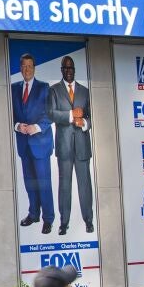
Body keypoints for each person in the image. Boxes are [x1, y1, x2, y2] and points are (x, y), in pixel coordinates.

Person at [46, 56, 94, 236]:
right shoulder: (54, 91)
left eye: (71, 68)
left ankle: (88, 220)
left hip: (82, 146)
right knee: (64, 186)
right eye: (65, 68)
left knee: (85, 185)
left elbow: (91, 116)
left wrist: (85, 123)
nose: (68, 71)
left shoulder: (85, 91)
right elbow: (51, 113)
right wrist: (71, 115)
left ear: (74, 70)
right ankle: (63, 223)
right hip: (64, 146)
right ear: (61, 70)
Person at [12, 53, 55, 235]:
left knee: (43, 183)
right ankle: (33, 214)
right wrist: (17, 126)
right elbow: (10, 113)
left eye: (30, 66)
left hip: (41, 143)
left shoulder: (44, 88)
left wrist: (36, 127)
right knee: (30, 182)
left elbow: (51, 114)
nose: (27, 69)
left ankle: (48, 219)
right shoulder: (13, 88)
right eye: (23, 66)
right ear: (20, 68)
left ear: (34, 68)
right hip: (24, 144)